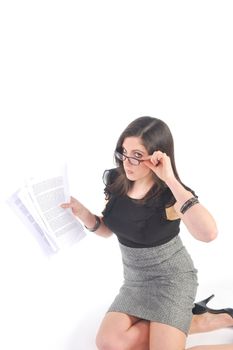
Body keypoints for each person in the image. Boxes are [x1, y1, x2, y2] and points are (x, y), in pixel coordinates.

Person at [61, 116, 233, 350]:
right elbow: (108, 230)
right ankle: (193, 320)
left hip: (173, 281)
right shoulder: (116, 180)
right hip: (135, 282)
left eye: (137, 155)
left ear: (157, 156)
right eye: (124, 152)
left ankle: (205, 320)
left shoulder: (171, 195)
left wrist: (170, 178)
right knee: (108, 342)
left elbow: (209, 233)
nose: (127, 163)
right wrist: (83, 214)